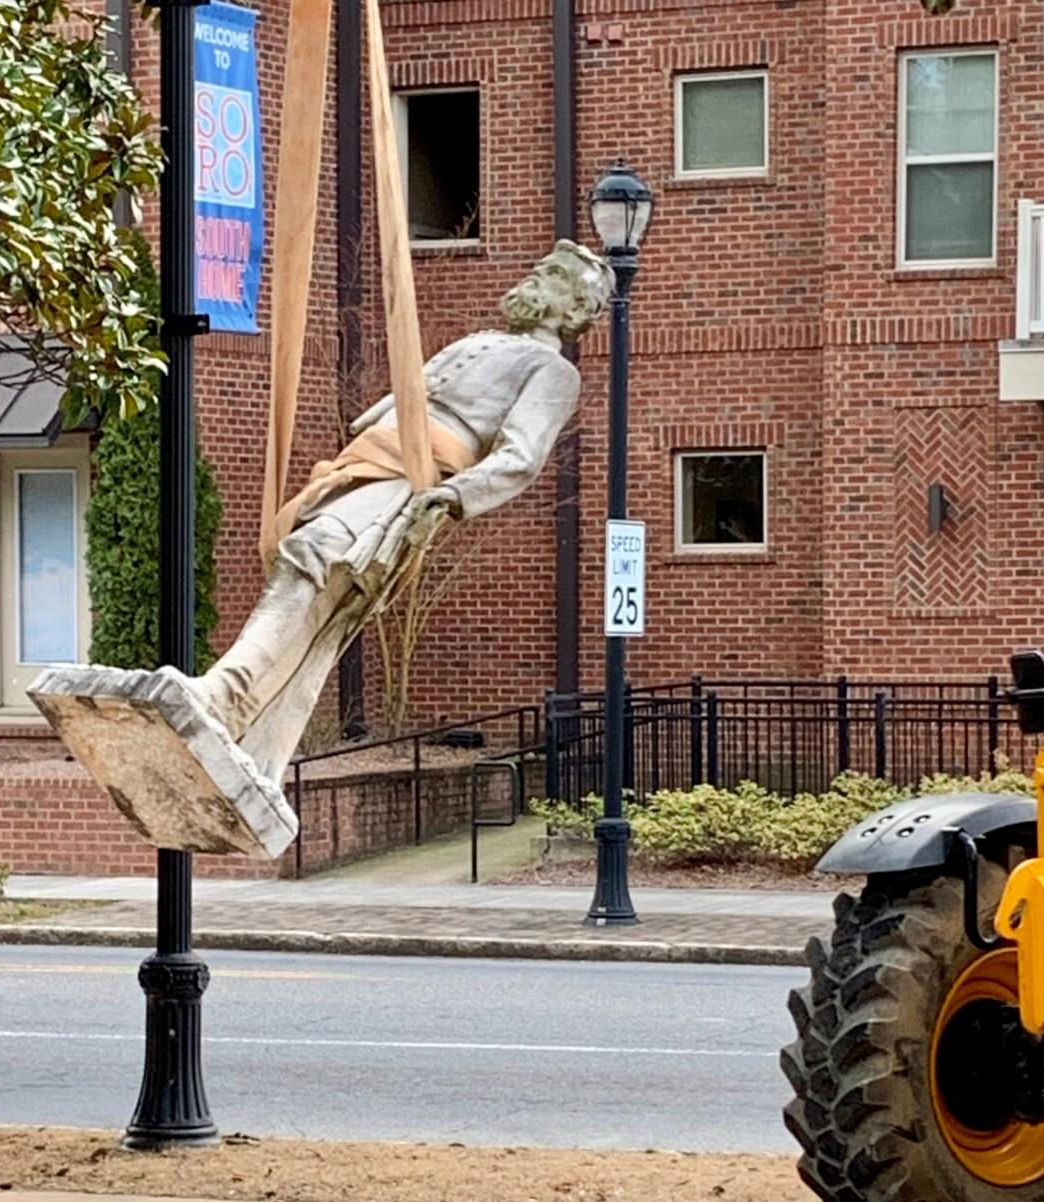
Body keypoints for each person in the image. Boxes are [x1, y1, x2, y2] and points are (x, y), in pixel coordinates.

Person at [32, 239, 614, 858]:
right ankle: (257, 746)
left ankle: (224, 699)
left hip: (414, 480)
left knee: (312, 562)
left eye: (550, 274)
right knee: (308, 583)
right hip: (370, 465)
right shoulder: (480, 340)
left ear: (572, 306)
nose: (534, 277)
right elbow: (391, 405)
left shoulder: (555, 372)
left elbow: (521, 456)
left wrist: (453, 497)